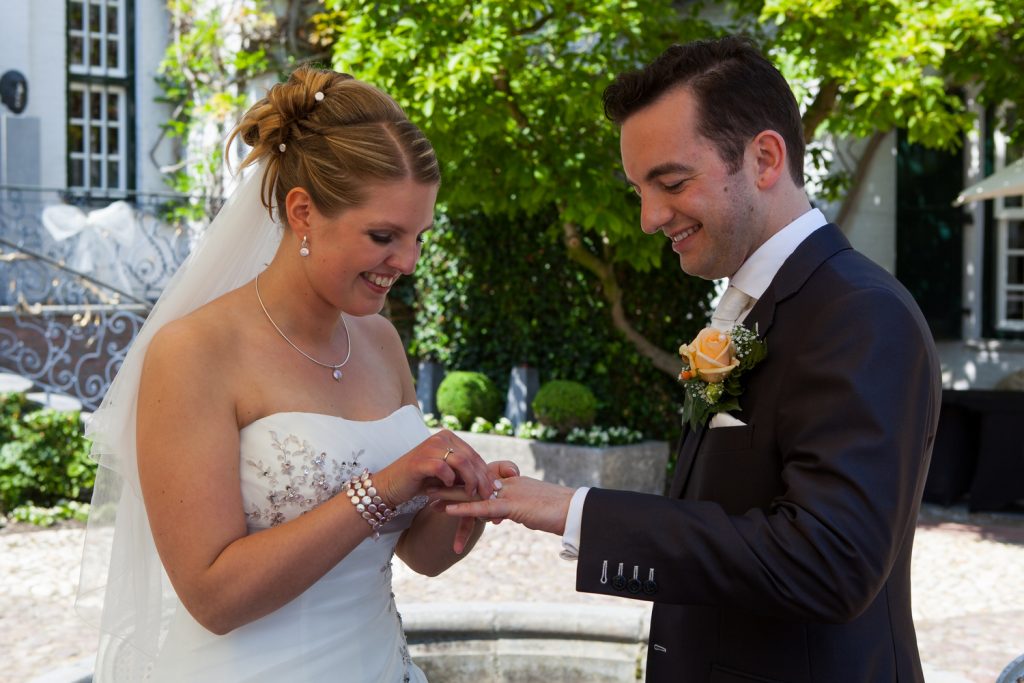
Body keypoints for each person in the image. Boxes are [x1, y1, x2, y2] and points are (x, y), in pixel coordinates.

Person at [443, 36, 941, 682]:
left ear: (764, 157)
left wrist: (575, 510)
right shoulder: (755, 305)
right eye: (638, 190)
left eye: (671, 182)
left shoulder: (861, 314)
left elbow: (827, 561)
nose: (650, 217)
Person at [76, 64, 511, 682]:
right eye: (384, 235)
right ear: (302, 211)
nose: (408, 262)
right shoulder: (194, 351)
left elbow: (418, 555)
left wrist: (463, 504)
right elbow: (214, 598)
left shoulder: (381, 341)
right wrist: (382, 487)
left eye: (419, 236)